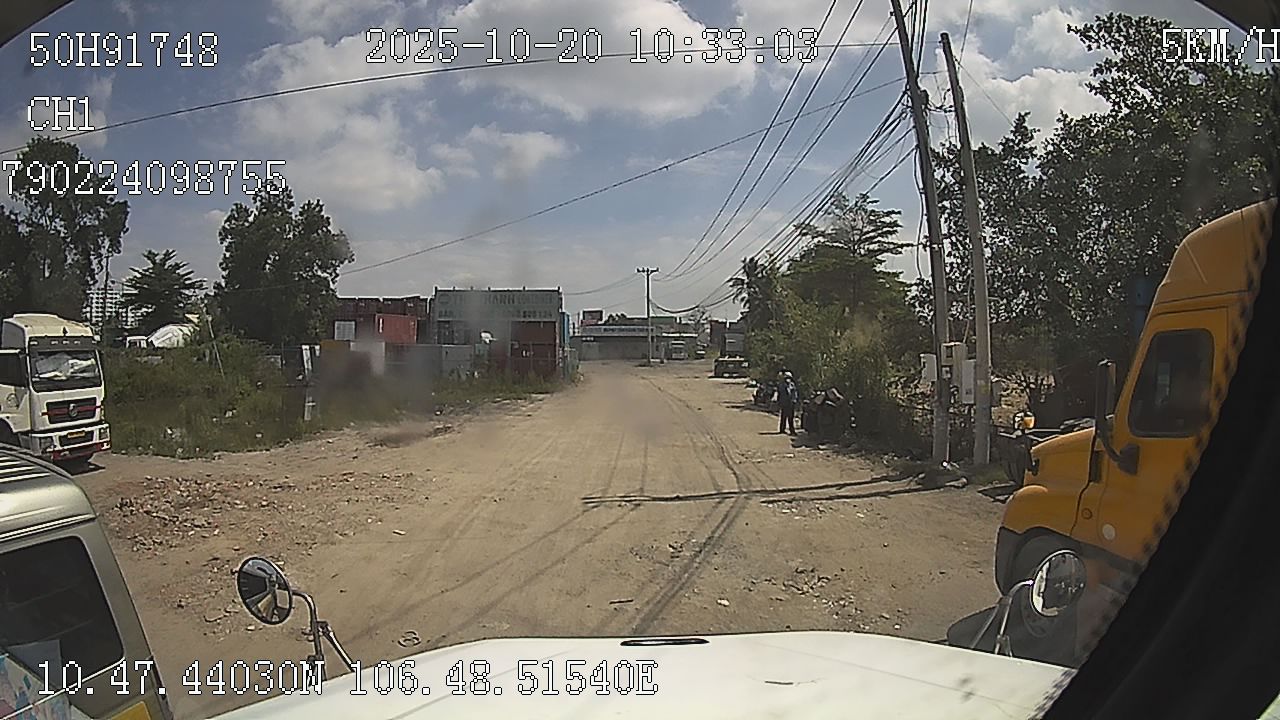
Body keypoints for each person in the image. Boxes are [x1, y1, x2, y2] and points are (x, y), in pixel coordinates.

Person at [777, 370, 798, 435]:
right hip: (784, 403)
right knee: (783, 417)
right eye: (787, 378)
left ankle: (792, 430)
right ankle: (782, 429)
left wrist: (794, 400)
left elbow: (794, 393)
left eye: (789, 378)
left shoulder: (792, 385)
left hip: (791, 403)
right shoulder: (782, 385)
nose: (788, 379)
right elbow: (780, 394)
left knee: (791, 417)